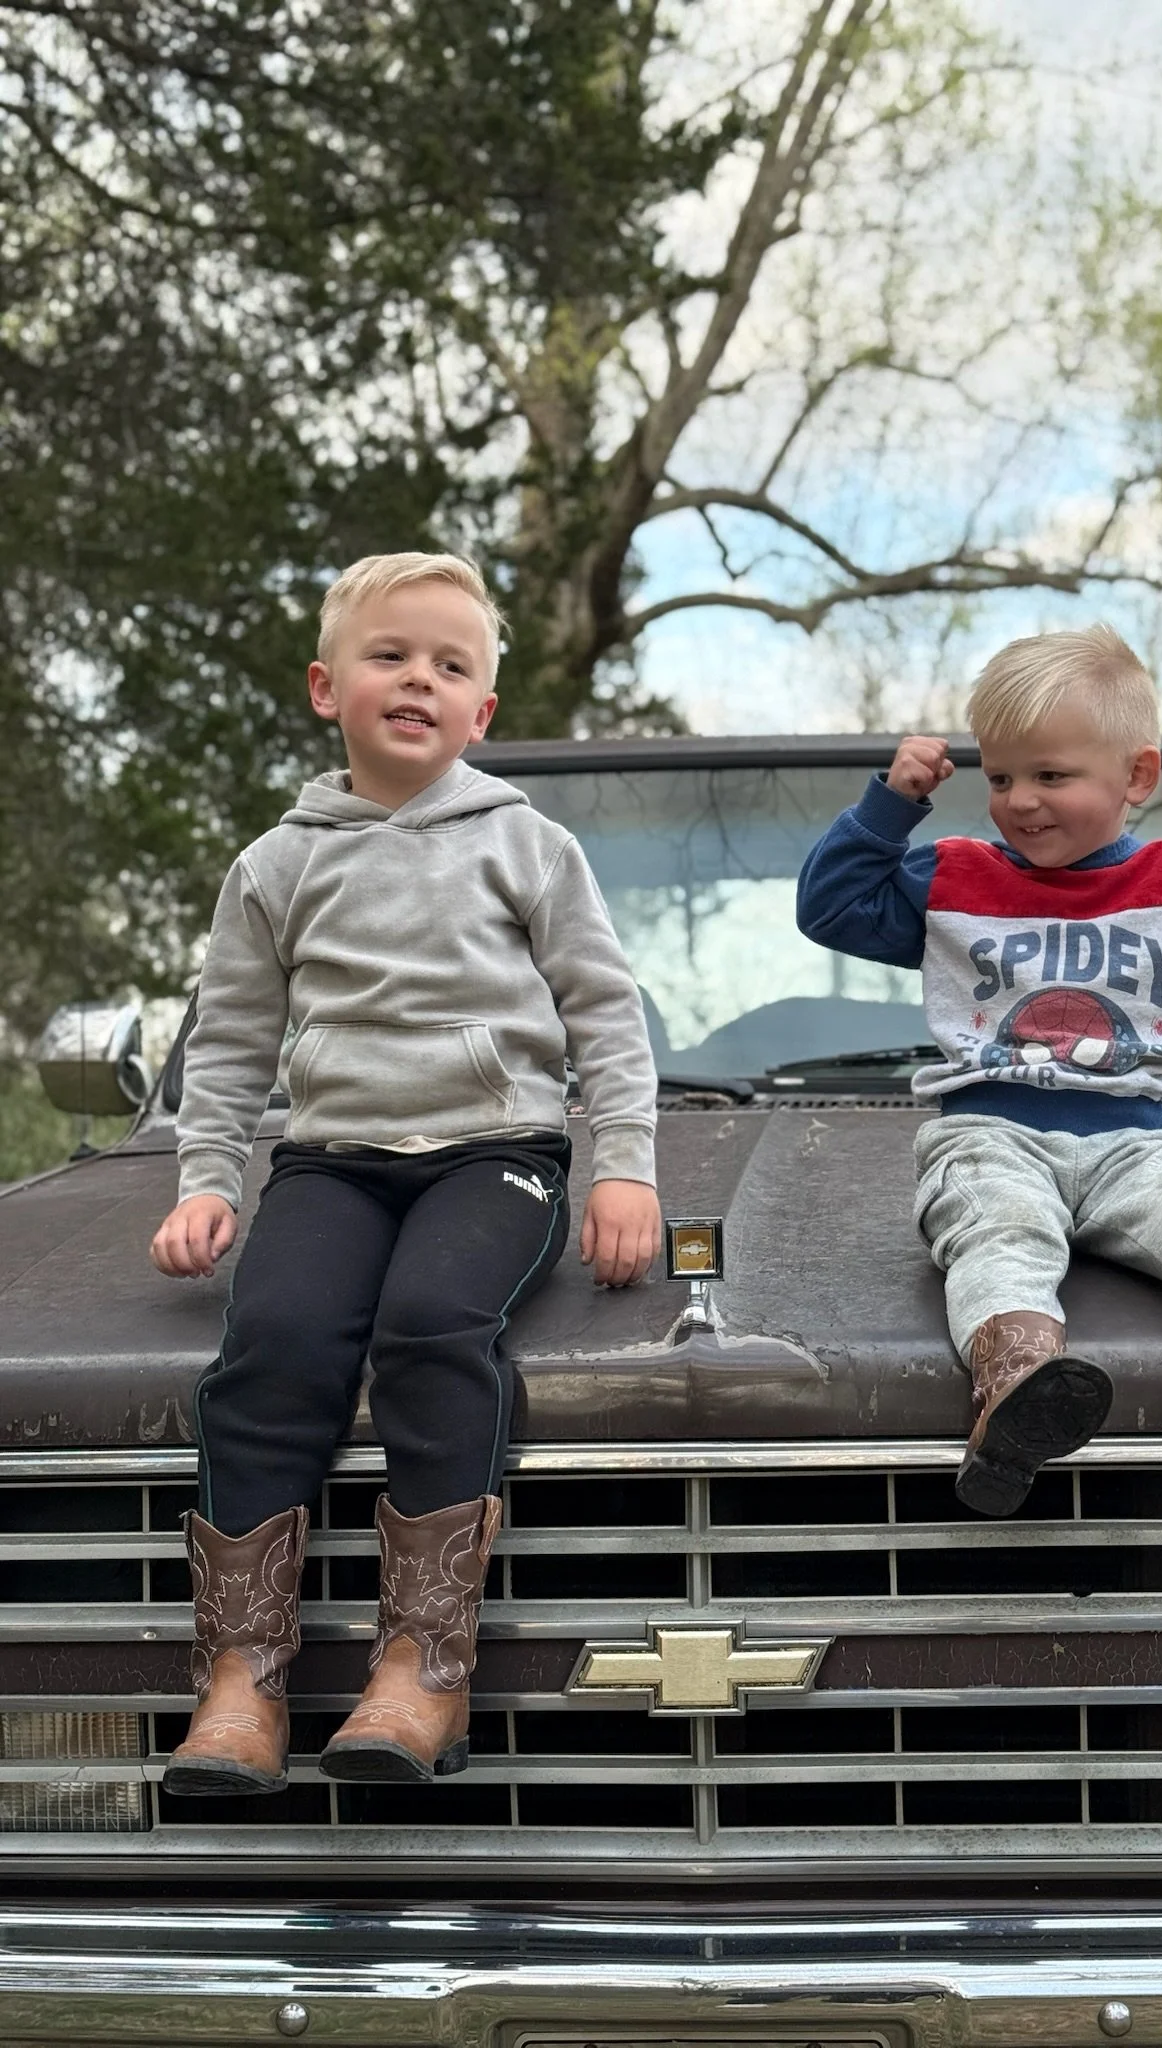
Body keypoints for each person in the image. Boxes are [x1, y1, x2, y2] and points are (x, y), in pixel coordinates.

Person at [148, 551, 661, 1796]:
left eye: (450, 664)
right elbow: (228, 1041)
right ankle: (242, 1681)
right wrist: (207, 1177)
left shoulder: (526, 843)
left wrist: (624, 1167)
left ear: (483, 712)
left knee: (435, 1320)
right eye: (390, 656)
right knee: (273, 1332)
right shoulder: (277, 862)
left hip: (498, 1153)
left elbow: (603, 1010)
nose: (418, 679)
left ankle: (424, 1666)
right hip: (331, 1159)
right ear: (328, 687)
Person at [797, 624, 1162, 1517]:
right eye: (1001, 778)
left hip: (1140, 1140)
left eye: (1051, 776)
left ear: (1138, 778)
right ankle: (1018, 1395)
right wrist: (889, 808)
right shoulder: (952, 880)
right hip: (988, 1130)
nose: (1020, 801)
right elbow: (832, 908)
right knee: (998, 1236)